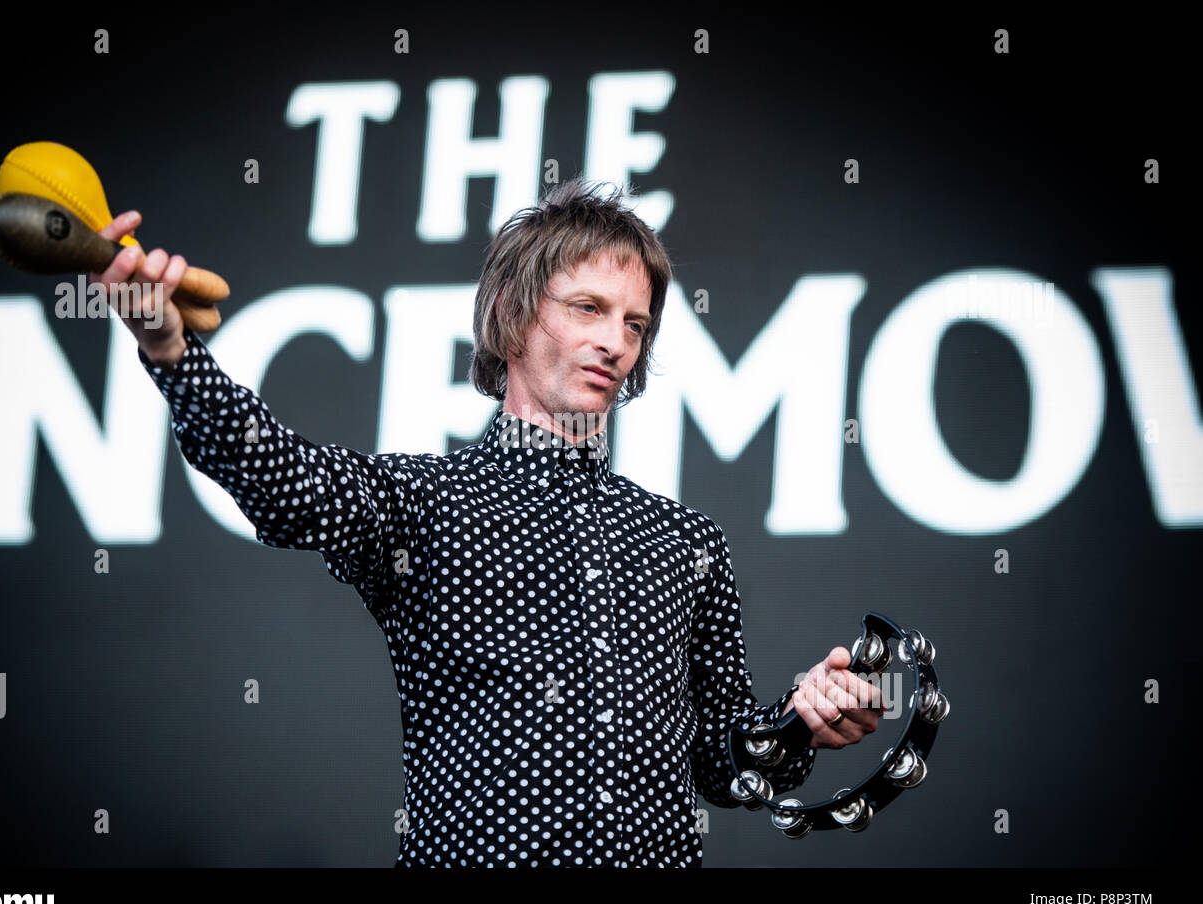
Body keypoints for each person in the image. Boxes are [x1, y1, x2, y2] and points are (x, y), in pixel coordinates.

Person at [93, 178, 884, 867]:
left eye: (636, 324)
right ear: (510, 314)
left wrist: (803, 719)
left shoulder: (687, 541)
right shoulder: (424, 503)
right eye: (588, 308)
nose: (616, 341)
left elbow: (724, 763)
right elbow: (282, 481)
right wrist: (171, 349)